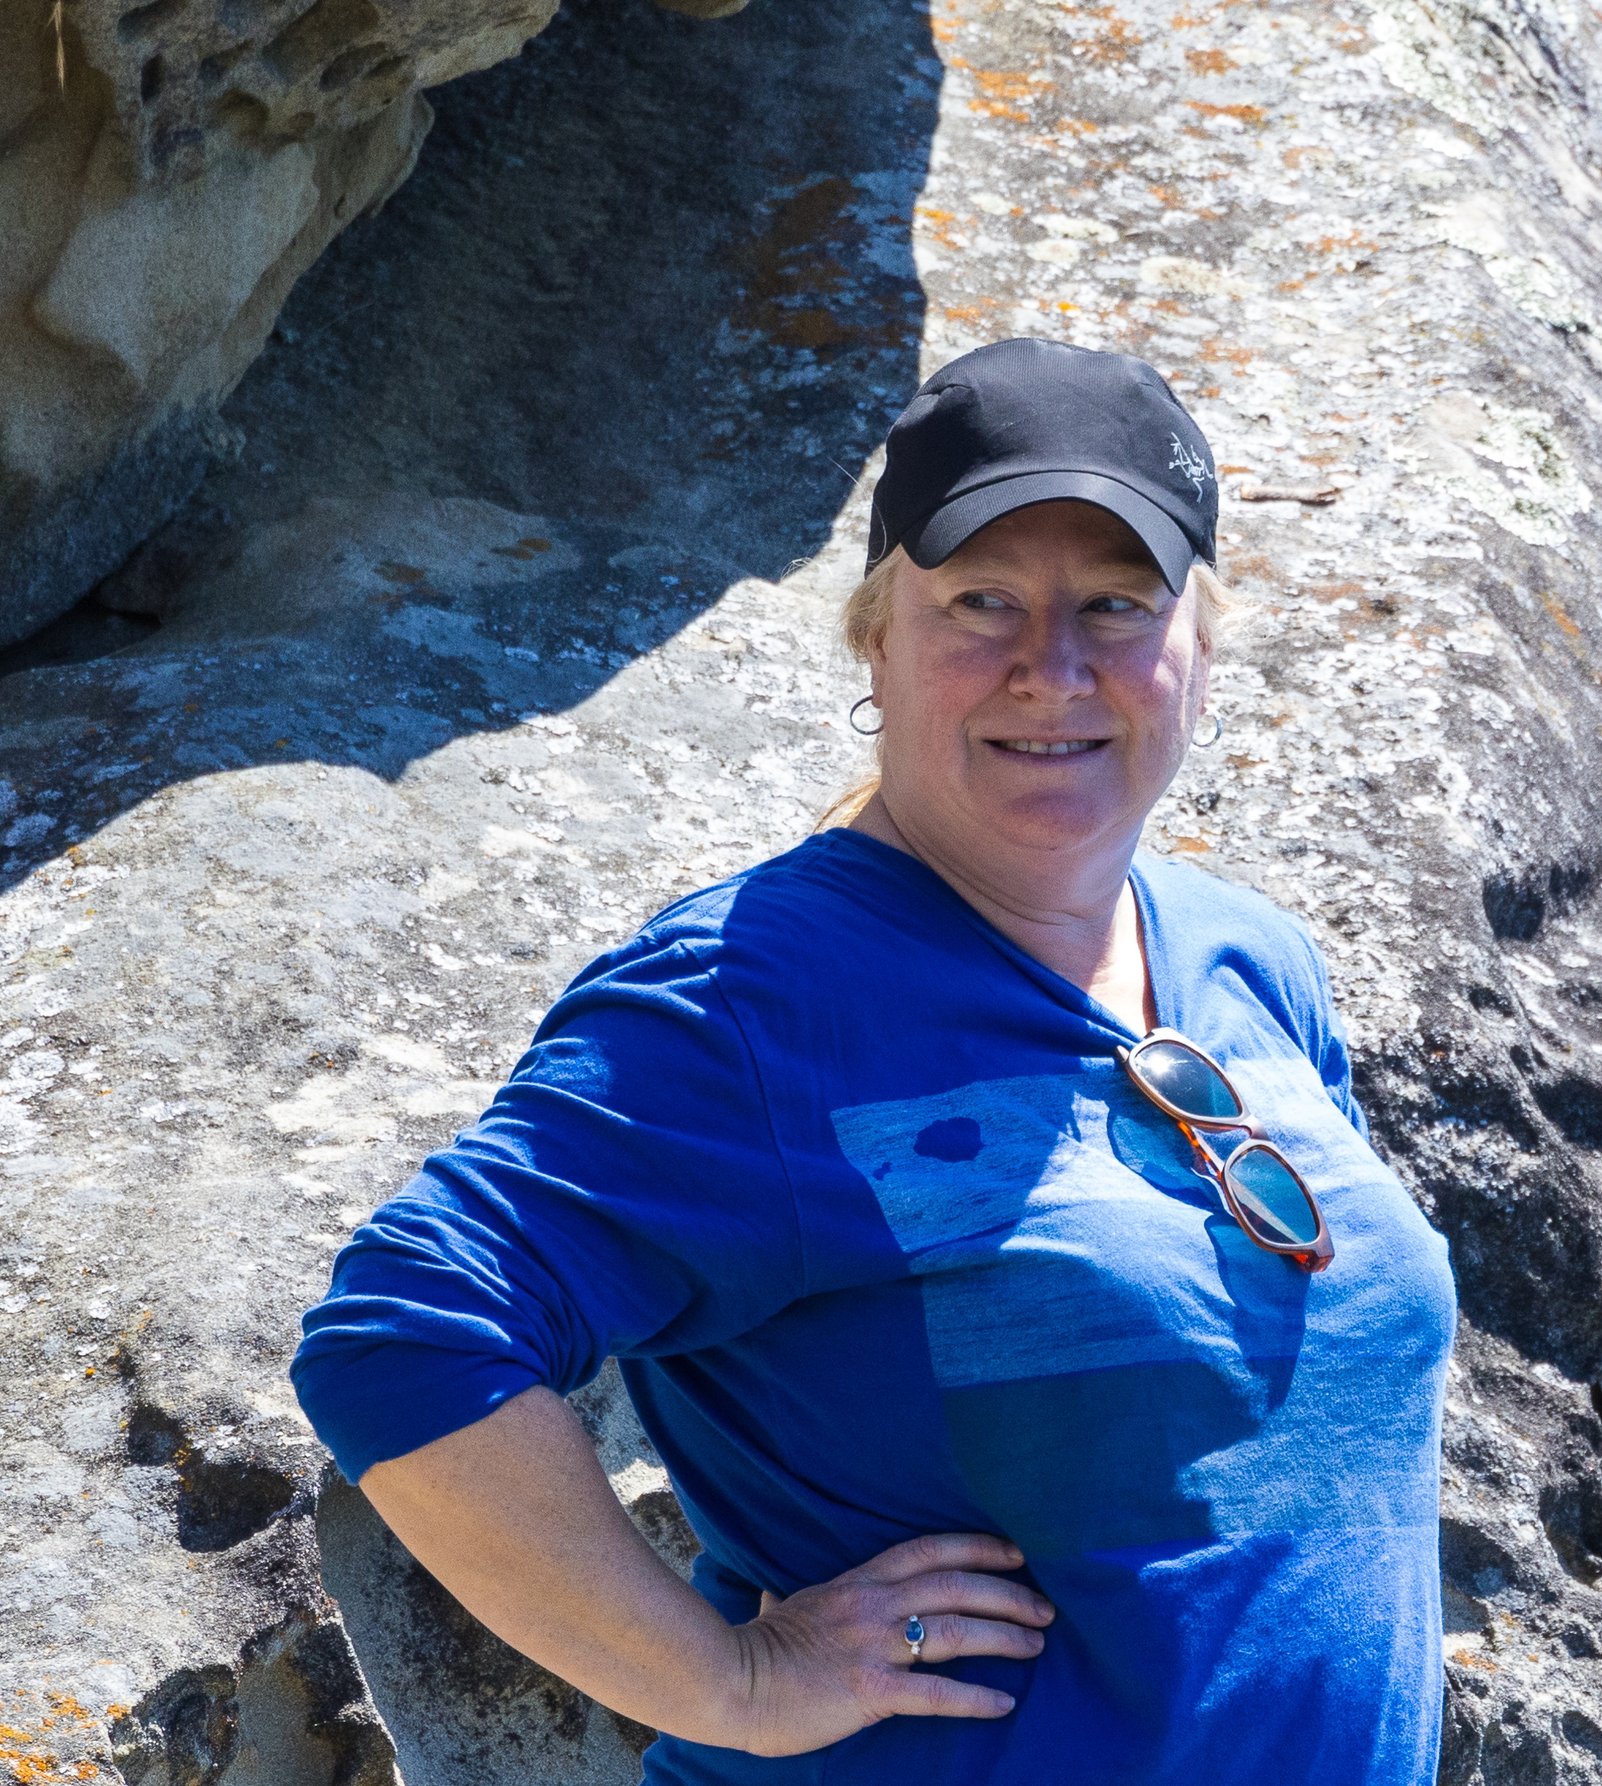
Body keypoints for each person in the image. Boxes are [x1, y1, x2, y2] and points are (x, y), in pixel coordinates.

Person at [291, 338, 1459, 1784]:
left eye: (1116, 602)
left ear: (1199, 643)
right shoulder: (759, 1000)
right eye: (982, 602)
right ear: (876, 640)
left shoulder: (1249, 964)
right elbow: (408, 1331)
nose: (1056, 665)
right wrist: (736, 1678)